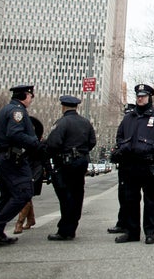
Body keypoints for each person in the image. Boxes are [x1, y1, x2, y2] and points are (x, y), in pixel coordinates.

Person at [0, 85, 40, 249]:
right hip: (13, 160)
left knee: (6, 196)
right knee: (24, 193)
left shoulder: (6, 109)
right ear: (24, 95)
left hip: (4, 158)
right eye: (31, 96)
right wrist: (35, 142)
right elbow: (14, 133)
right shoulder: (18, 111)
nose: (31, 99)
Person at [111, 84, 154, 244]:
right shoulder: (128, 118)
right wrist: (122, 148)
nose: (140, 98)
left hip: (149, 165)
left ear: (149, 97)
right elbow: (120, 136)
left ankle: (149, 232)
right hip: (130, 165)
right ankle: (132, 232)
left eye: (143, 96)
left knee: (150, 200)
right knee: (131, 200)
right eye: (138, 96)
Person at [44, 95, 96, 241]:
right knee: (77, 195)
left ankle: (64, 230)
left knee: (65, 196)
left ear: (63, 107)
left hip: (65, 164)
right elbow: (92, 142)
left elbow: (53, 144)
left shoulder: (62, 122)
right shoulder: (86, 123)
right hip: (81, 163)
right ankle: (72, 228)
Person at [106, 104, 136, 236]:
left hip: (134, 164)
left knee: (130, 197)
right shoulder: (125, 124)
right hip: (124, 164)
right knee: (123, 195)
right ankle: (123, 222)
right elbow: (119, 140)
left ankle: (127, 224)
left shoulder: (135, 124)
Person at [14, 117, 47, 234]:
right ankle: (31, 219)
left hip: (35, 171)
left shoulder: (39, 144)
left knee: (26, 195)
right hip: (24, 169)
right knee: (27, 196)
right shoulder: (22, 143)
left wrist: (49, 173)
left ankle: (19, 223)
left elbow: (45, 159)